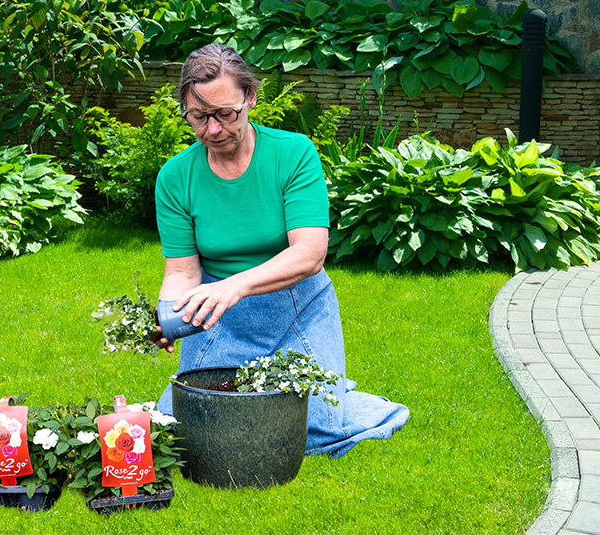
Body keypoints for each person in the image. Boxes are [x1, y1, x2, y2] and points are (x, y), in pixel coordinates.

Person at [152, 43, 408, 457]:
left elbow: (309, 255)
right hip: (221, 316)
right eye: (198, 117)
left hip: (297, 306)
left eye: (225, 113)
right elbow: (182, 272)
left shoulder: (293, 154)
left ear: (251, 98)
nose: (212, 129)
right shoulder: (175, 177)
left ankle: (339, 396)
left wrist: (234, 286)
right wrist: (169, 316)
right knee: (192, 424)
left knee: (315, 426)